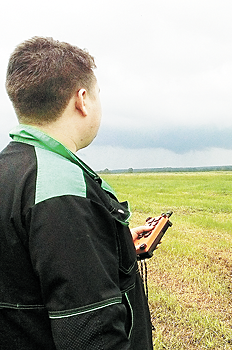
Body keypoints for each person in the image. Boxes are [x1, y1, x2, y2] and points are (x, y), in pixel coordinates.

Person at [0, 37, 153, 349]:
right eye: (98, 95)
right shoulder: (61, 188)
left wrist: (115, 245)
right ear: (82, 99)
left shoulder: (10, 168)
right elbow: (91, 332)